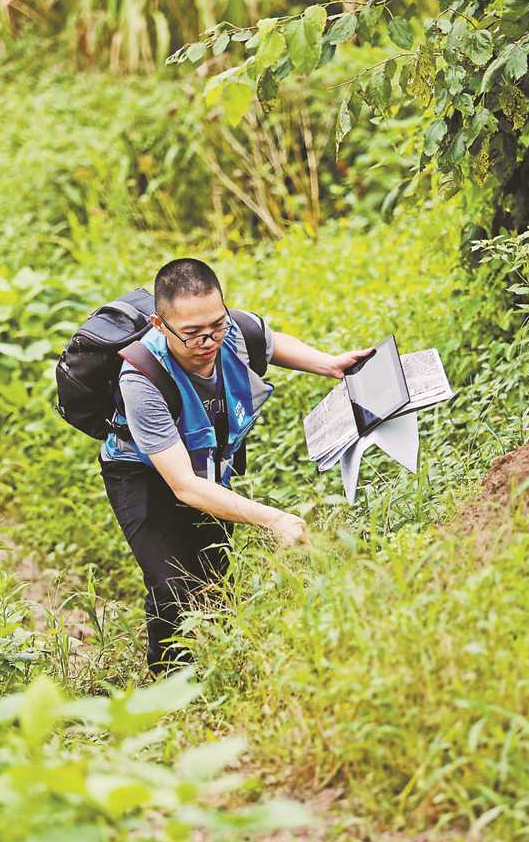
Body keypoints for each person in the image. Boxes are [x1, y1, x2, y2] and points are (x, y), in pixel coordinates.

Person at [97, 258, 373, 674]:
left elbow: (269, 341)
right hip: (143, 475)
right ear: (159, 325)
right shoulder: (141, 378)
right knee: (174, 585)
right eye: (191, 334)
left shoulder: (230, 332)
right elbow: (185, 488)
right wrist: (274, 518)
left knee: (213, 576)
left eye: (216, 326)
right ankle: (168, 685)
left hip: (206, 463)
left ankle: (219, 675)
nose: (208, 342)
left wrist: (327, 363)